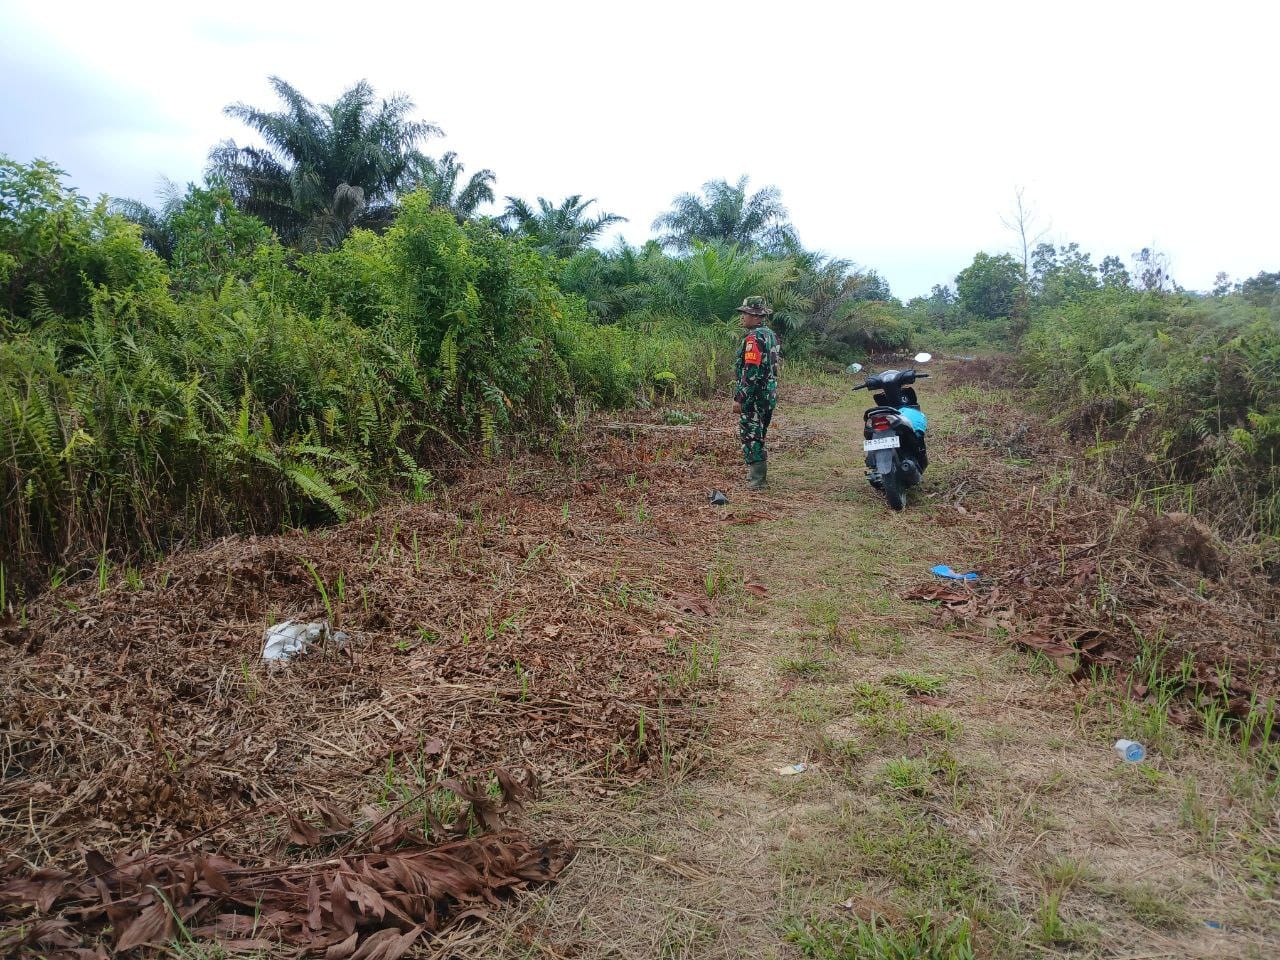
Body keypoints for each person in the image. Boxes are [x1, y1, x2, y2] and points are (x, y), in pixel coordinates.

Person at [733, 296, 780, 490]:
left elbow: (751, 371)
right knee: (760, 433)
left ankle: (757, 481)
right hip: (769, 395)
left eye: (745, 313)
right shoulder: (770, 335)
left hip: (755, 396)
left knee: (752, 436)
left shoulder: (753, 338)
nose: (742, 317)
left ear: (755, 316)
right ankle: (756, 476)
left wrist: (740, 398)